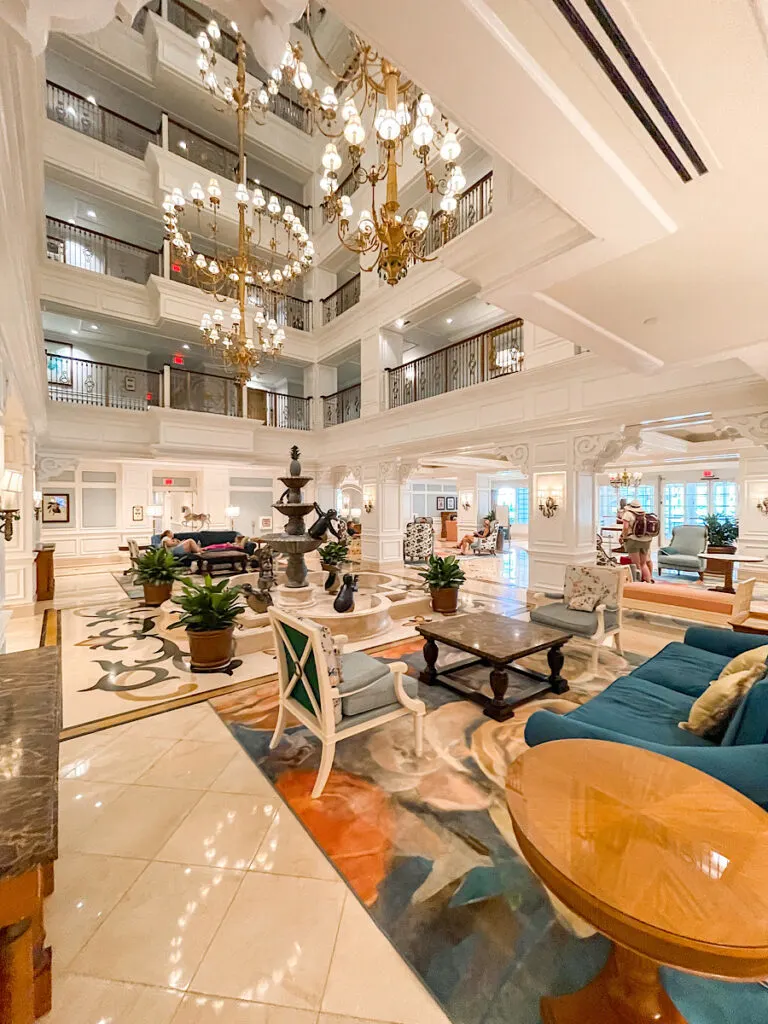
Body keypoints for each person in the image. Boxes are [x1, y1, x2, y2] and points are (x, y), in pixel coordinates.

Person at [620, 499, 654, 583]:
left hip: (634, 541)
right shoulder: (644, 514)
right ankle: (649, 582)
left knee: (636, 564)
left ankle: (638, 583)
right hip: (646, 541)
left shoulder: (628, 514)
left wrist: (624, 538)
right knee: (643, 563)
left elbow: (625, 527)